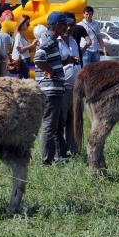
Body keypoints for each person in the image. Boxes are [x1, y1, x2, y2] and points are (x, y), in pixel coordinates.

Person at [34, 12, 70, 165]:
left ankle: (56, 156)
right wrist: (52, 71)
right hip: (50, 89)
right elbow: (38, 59)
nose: (66, 27)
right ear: (56, 25)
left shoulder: (50, 39)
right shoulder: (49, 41)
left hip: (52, 88)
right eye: (64, 25)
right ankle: (46, 160)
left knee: (54, 124)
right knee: (49, 125)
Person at [57, 13, 80, 157]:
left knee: (74, 119)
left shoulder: (73, 41)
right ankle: (61, 150)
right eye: (67, 25)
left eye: (72, 25)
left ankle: (74, 149)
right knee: (61, 120)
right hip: (63, 86)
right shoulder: (56, 41)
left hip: (76, 87)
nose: (69, 28)